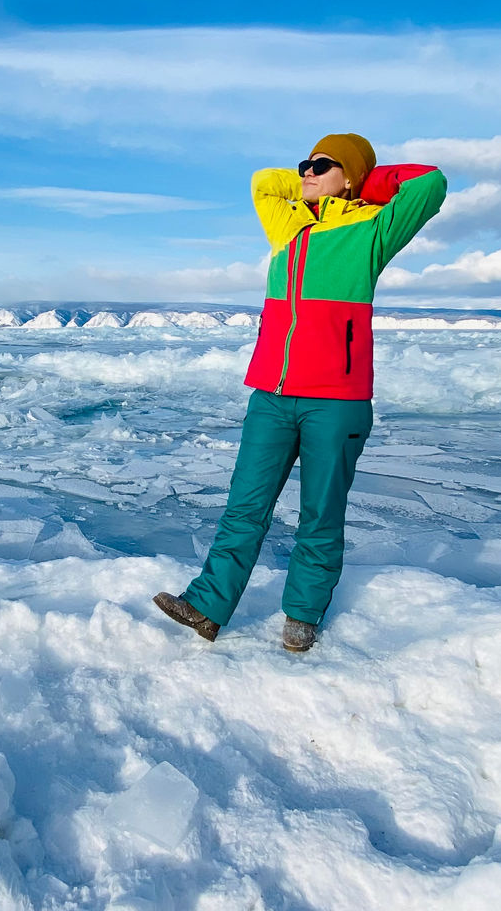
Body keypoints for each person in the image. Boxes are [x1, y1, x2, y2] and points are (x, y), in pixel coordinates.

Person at [154, 133, 446, 652]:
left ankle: (303, 615)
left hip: (336, 399)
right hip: (270, 392)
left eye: (321, 164)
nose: (306, 172)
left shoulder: (373, 230)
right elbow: (264, 185)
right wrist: (316, 181)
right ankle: (207, 605)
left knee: (320, 512)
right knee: (244, 507)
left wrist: (363, 181)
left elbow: (430, 184)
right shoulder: (291, 226)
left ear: (350, 174)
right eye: (304, 164)